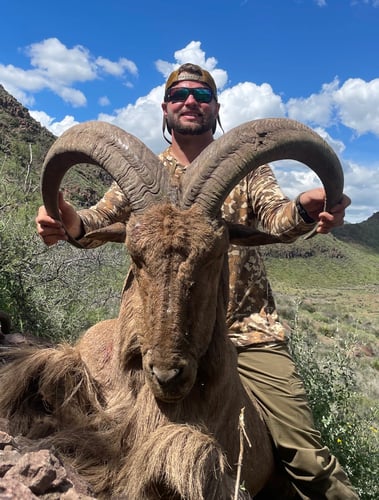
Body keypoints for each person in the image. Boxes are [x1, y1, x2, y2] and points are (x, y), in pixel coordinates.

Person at [36, 63, 358, 499]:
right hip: (155, 331)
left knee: (308, 461)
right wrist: (67, 219)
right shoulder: (144, 173)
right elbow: (96, 221)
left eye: (202, 96)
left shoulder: (244, 170)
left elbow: (275, 217)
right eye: (180, 95)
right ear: (165, 109)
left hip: (246, 332)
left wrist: (304, 206)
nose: (191, 102)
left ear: (216, 108)